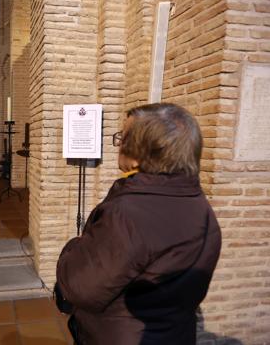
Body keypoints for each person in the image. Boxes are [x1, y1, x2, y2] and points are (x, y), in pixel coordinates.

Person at [56, 103, 221, 345]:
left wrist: (73, 247)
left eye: (122, 137)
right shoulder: (201, 207)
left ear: (138, 156)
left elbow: (80, 288)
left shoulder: (127, 215)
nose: (118, 143)